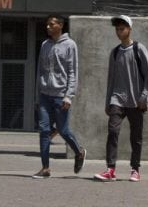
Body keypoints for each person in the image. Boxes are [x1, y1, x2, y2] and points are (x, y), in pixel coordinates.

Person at [95, 15, 148, 182]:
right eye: (117, 29)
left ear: (129, 29)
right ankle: (110, 169)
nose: (119, 31)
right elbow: (111, 78)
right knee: (113, 131)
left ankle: (135, 169)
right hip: (117, 99)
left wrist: (144, 97)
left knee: (136, 137)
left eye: (122, 28)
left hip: (136, 101)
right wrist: (108, 101)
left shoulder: (139, 49)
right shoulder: (114, 53)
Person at [32, 15, 86, 179]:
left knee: (62, 130)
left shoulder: (70, 45)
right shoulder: (45, 44)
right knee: (44, 130)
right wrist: (37, 94)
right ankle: (45, 168)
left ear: (60, 25)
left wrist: (68, 96)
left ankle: (79, 152)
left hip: (61, 95)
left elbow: (72, 72)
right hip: (44, 96)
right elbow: (40, 70)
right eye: (47, 24)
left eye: (51, 24)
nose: (48, 27)